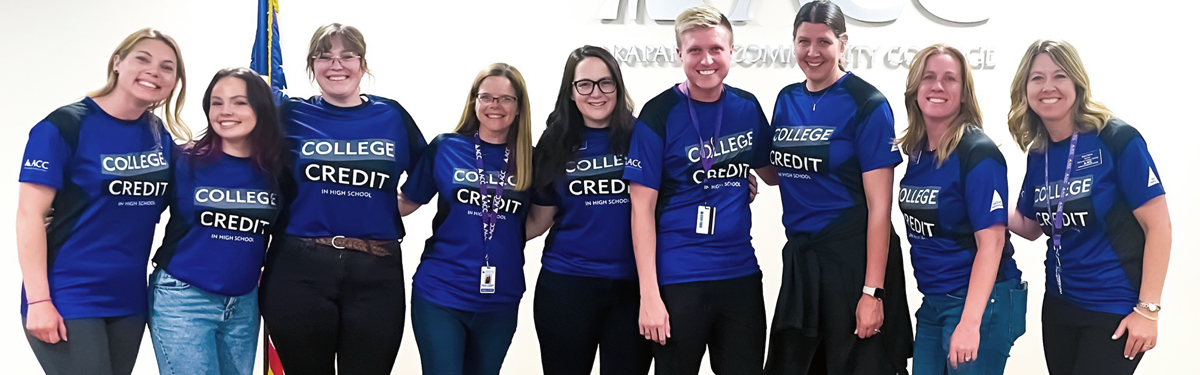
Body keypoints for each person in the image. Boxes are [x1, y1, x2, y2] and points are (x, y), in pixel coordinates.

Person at [16, 27, 189, 375]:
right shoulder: (64, 125)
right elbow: (29, 215)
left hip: (129, 299)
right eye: (143, 59)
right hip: (69, 293)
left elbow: (188, 202)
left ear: (174, 83)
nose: (154, 71)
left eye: (167, 67)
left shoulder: (159, 136)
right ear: (117, 63)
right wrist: (39, 301)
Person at [257, 23, 427, 375]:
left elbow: (429, 168)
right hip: (299, 271)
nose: (337, 65)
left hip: (375, 275)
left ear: (363, 65)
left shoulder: (390, 115)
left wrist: (402, 203)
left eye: (347, 56)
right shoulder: (291, 115)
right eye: (325, 57)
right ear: (312, 66)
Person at [760, 1, 912, 374]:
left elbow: (880, 208)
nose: (813, 53)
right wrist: (737, 180)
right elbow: (782, 170)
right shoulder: (786, 99)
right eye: (803, 41)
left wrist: (872, 292)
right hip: (802, 261)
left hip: (853, 259)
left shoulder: (868, 104)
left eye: (824, 42)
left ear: (843, 44)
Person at [1006, 39, 1171, 375]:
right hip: (1059, 308)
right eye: (1037, 78)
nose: (1048, 87)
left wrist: (1148, 310)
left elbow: (1159, 226)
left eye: (1059, 76)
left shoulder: (1116, 138)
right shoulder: (1039, 154)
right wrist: (979, 202)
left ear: (1077, 83)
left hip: (1113, 308)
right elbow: (1031, 226)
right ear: (1024, 89)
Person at [623, 5, 772, 374]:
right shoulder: (658, 113)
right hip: (678, 279)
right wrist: (649, 296)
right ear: (679, 54)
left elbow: (772, 173)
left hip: (740, 276)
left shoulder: (747, 106)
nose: (707, 60)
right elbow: (640, 209)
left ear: (731, 52)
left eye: (716, 49)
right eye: (695, 50)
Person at [896, 44, 1026, 375]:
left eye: (950, 79)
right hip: (935, 301)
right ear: (915, 88)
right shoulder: (918, 151)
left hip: (981, 303)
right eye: (929, 77)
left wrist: (970, 324)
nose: (938, 86)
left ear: (964, 93)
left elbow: (992, 243)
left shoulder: (977, 152)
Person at [148, 67, 286, 375]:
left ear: (260, 108)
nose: (226, 112)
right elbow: (132, 209)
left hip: (244, 303)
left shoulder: (275, 170)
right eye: (217, 102)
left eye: (239, 102)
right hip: (183, 299)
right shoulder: (183, 160)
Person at [399, 63, 534, 375]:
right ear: (474, 101)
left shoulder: (530, 158)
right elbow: (407, 201)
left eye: (505, 99)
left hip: (501, 297)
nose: (494, 106)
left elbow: (539, 219)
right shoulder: (446, 148)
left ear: (518, 107)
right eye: (486, 97)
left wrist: (500, 241)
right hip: (441, 291)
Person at [525, 45, 651, 375]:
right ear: (571, 91)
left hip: (632, 289)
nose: (596, 93)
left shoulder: (643, 136)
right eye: (585, 84)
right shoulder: (554, 142)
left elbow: (673, 196)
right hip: (567, 286)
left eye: (606, 83)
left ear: (618, 87)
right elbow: (539, 219)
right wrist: (478, 229)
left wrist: (738, 186)